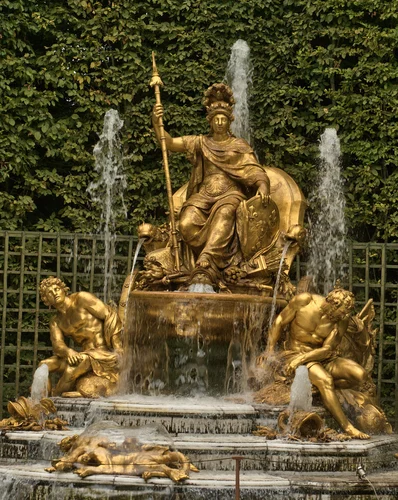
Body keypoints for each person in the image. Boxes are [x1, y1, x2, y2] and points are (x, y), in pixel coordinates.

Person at [152, 83, 270, 285]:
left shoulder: (239, 146)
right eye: (216, 119)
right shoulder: (200, 142)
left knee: (225, 213)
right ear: (210, 121)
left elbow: (253, 169)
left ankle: (206, 261)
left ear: (229, 121)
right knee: (186, 223)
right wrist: (156, 122)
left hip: (230, 194)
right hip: (204, 195)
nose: (220, 122)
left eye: (224, 119)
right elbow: (169, 143)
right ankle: (204, 261)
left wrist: (263, 186)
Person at [265, 285, 370, 439]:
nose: (343, 316)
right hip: (294, 353)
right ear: (332, 303)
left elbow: (327, 349)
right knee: (325, 380)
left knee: (360, 375)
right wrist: (270, 350)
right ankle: (348, 427)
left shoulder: (342, 319)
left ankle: (321, 390)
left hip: (320, 357)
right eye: (341, 312)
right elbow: (279, 321)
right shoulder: (304, 301)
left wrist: (302, 359)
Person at [39, 277, 122, 397]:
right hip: (85, 354)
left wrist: (117, 345)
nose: (55, 293)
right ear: (47, 300)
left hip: (104, 352)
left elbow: (110, 315)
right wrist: (68, 352)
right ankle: (42, 398)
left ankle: (52, 401)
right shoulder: (56, 321)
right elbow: (58, 345)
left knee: (71, 368)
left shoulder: (81, 299)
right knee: (44, 365)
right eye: (50, 293)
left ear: (63, 289)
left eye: (57, 289)